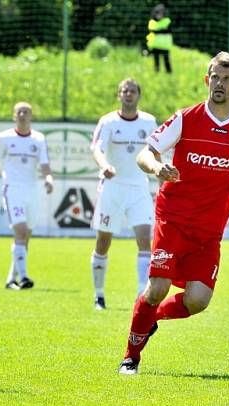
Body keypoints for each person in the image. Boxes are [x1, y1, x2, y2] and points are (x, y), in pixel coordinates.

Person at [119, 52, 229, 375]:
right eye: (214, 77)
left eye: (227, 78)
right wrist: (158, 166)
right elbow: (146, 152)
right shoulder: (186, 118)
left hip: (208, 231)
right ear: (206, 80)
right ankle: (130, 357)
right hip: (172, 219)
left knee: (198, 300)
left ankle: (151, 317)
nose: (219, 83)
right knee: (157, 286)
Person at [89, 79, 158, 310]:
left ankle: (141, 294)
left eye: (133, 91)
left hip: (139, 187)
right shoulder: (108, 121)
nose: (128, 94)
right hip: (112, 188)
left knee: (144, 240)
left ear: (139, 95)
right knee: (103, 242)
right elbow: (96, 148)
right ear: (119, 95)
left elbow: (156, 151)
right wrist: (104, 165)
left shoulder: (149, 122)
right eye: (124, 91)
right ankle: (99, 295)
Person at [0, 102, 54, 290]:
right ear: (14, 116)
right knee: (20, 231)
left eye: (26, 112)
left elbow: (44, 164)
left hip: (32, 191)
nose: (22, 115)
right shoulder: (4, 138)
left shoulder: (38, 139)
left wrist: (49, 178)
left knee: (26, 236)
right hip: (12, 190)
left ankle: (11, 279)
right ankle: (24, 277)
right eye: (19, 112)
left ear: (31, 116)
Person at [147, 4, 173, 74]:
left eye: (161, 13)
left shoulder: (167, 21)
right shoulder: (152, 22)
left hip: (165, 45)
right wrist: (160, 30)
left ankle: (169, 73)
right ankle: (156, 72)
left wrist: (157, 31)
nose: (159, 15)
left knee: (166, 60)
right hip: (155, 45)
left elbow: (167, 31)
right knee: (156, 61)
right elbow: (151, 31)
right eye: (158, 13)